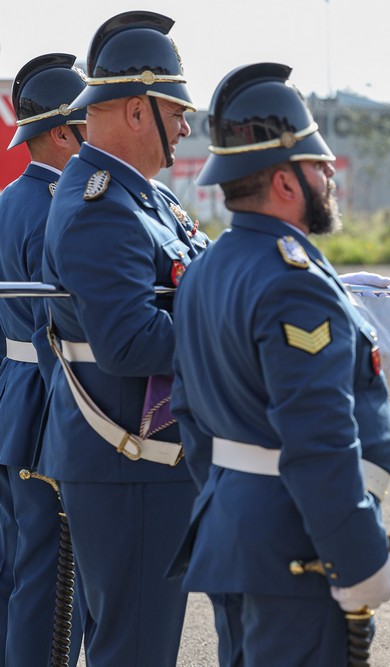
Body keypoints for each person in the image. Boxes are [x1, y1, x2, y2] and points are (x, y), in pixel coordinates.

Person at [168, 63, 390, 666]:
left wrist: (233, 505)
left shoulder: (205, 269)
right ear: (283, 180)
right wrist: (356, 557)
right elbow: (318, 440)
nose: (329, 173)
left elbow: (190, 415)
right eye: (315, 163)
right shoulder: (294, 282)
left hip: (236, 534)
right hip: (296, 553)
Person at [39, 12, 212, 666]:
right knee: (134, 650)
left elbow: (210, 271)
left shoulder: (148, 200)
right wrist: (236, 334)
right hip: (129, 466)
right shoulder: (98, 204)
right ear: (139, 111)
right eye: (178, 110)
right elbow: (131, 341)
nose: (188, 126)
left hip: (146, 464)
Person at [0, 53, 89, 667]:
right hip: (49, 402)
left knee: (16, 567)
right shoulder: (63, 208)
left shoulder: (8, 200)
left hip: (11, 393)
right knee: (53, 576)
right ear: (63, 131)